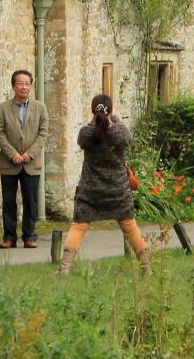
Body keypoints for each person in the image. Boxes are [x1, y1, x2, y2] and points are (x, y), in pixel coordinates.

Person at [58, 93, 150, 275]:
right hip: (118, 190)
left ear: (92, 111)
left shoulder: (85, 133)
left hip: (90, 190)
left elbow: (84, 140)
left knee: (78, 226)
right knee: (130, 227)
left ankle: (65, 269)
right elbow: (127, 138)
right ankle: (147, 269)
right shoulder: (121, 132)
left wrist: (99, 120)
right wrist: (114, 118)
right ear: (111, 109)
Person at [0, 69, 47, 248]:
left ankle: (29, 236)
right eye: (20, 83)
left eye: (27, 83)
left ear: (30, 86)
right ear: (13, 86)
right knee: (9, 201)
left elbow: (43, 133)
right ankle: (9, 237)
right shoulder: (2, 108)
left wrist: (29, 154)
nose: (23, 87)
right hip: (10, 163)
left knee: (31, 201)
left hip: (31, 163)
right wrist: (12, 153)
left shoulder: (40, 108)